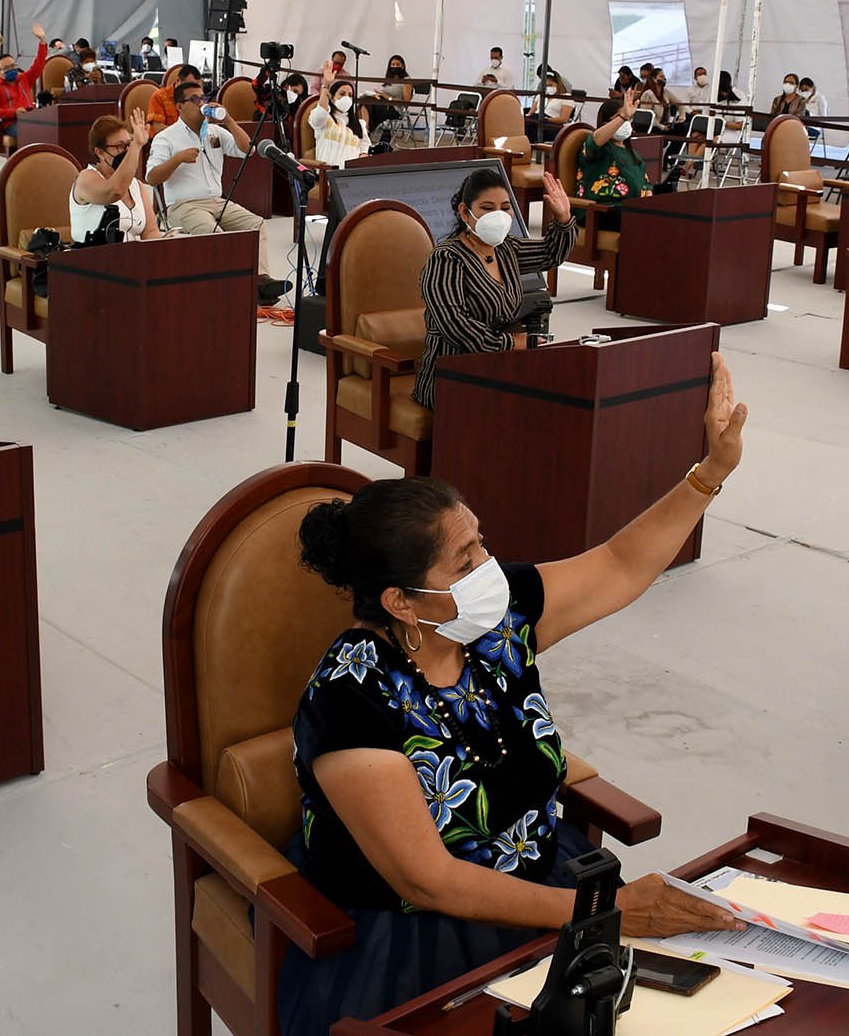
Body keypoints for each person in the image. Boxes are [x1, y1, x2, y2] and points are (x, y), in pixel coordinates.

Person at [280, 356, 749, 1035]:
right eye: (464, 561)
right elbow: (427, 879)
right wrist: (602, 912)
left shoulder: (494, 622)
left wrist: (710, 472)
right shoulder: (351, 699)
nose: (489, 569)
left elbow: (618, 564)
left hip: (545, 883)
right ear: (402, 602)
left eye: (482, 544)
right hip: (418, 938)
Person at [412, 167, 578, 408]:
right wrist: (512, 343)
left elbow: (551, 253)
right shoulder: (446, 259)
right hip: (452, 373)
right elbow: (455, 325)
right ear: (465, 212)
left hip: (499, 366)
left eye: (505, 208)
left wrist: (563, 218)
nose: (498, 216)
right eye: (488, 208)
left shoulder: (506, 249)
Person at [146, 76, 288, 304]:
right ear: (179, 106)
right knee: (215, 234)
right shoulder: (166, 138)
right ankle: (229, 289)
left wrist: (228, 120)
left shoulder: (214, 132)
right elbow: (151, 178)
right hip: (183, 206)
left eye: (203, 98)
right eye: (195, 100)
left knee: (256, 224)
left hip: (217, 201)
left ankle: (260, 282)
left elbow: (248, 150)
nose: (201, 103)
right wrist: (177, 159)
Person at [578, 90, 681, 227]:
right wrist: (623, 116)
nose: (626, 122)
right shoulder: (597, 146)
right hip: (600, 210)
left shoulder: (633, 154)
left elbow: (646, 186)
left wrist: (649, 203)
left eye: (629, 119)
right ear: (605, 123)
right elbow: (596, 138)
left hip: (630, 209)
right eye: (620, 118)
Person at [70, 111, 164, 243]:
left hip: (133, 254)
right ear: (100, 152)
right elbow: (114, 191)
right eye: (121, 146)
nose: (127, 151)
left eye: (129, 144)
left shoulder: (136, 185)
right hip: (95, 254)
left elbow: (151, 232)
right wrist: (136, 145)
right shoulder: (85, 178)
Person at [0, 25, 52, 149]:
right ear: (0, 72)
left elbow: (39, 64)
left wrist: (42, 41)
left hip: (32, 118)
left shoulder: (23, 78)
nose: (12, 69)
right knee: (30, 135)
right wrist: (13, 112)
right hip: (11, 123)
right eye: (7, 68)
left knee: (52, 131)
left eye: (13, 66)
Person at [308, 65, 369, 167]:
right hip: (329, 172)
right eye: (342, 94)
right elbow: (321, 111)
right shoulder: (325, 119)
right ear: (332, 97)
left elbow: (364, 144)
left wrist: (363, 154)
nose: (347, 98)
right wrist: (326, 85)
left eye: (350, 95)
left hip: (352, 172)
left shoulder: (359, 123)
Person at [146, 63, 202, 131]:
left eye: (196, 86)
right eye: (189, 85)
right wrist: (182, 133)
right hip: (167, 136)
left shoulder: (198, 97)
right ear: (178, 81)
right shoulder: (160, 97)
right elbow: (158, 127)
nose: (193, 90)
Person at [522, 71, 573, 144]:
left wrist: (546, 119)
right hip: (537, 120)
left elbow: (564, 119)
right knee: (526, 119)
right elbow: (530, 113)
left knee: (533, 119)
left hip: (553, 125)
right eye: (546, 86)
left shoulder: (566, 97)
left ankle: (529, 143)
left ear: (558, 84)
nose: (548, 88)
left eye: (550, 85)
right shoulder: (540, 96)